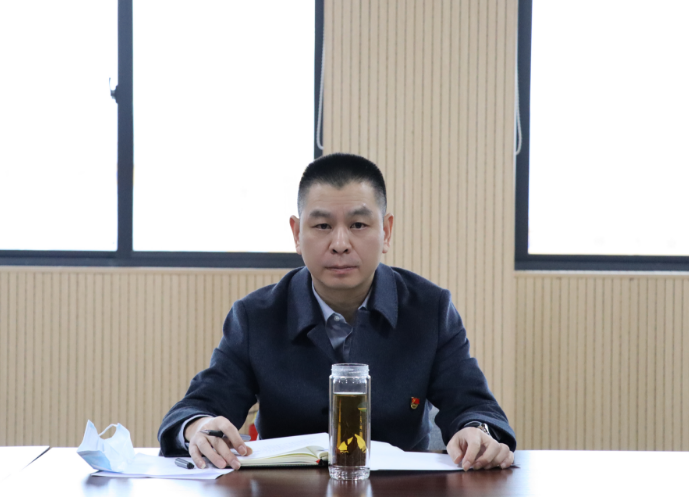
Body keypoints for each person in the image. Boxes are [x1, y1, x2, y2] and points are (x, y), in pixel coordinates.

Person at [158, 153, 515, 471]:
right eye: (322, 226)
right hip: (286, 492)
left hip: (398, 491)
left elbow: (473, 406)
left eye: (358, 225)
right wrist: (198, 428)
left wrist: (477, 431)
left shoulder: (429, 310)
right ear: (297, 233)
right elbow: (199, 407)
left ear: (386, 231)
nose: (340, 244)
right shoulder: (256, 316)